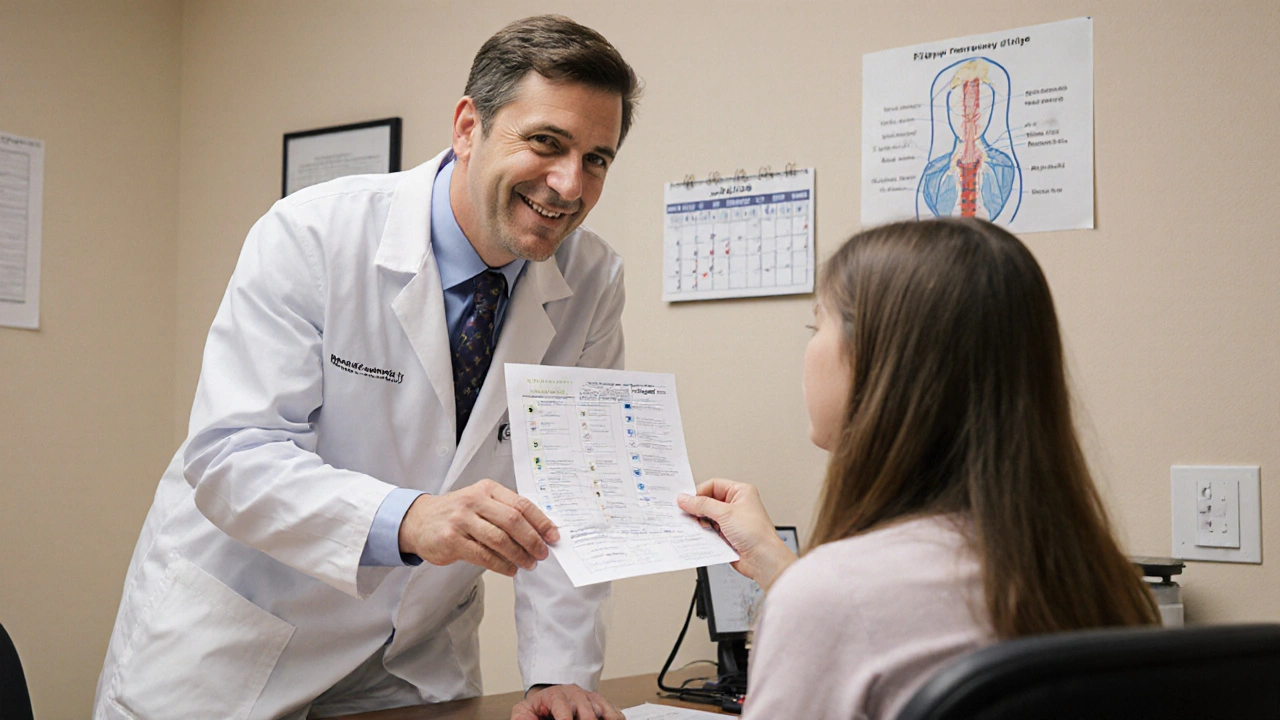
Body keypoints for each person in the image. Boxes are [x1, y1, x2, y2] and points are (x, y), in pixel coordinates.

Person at [94, 15, 639, 720]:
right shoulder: (313, 235)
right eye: (546, 142)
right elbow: (231, 457)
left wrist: (556, 673)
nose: (569, 184)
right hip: (240, 645)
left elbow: (574, 490)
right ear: (468, 126)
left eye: (597, 158)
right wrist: (408, 519)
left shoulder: (592, 282)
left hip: (411, 658)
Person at [678, 218, 1160, 720]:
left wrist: (806, 594)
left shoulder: (830, 600)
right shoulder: (1095, 580)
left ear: (880, 362)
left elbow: (851, 615)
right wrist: (776, 562)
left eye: (815, 325)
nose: (808, 349)